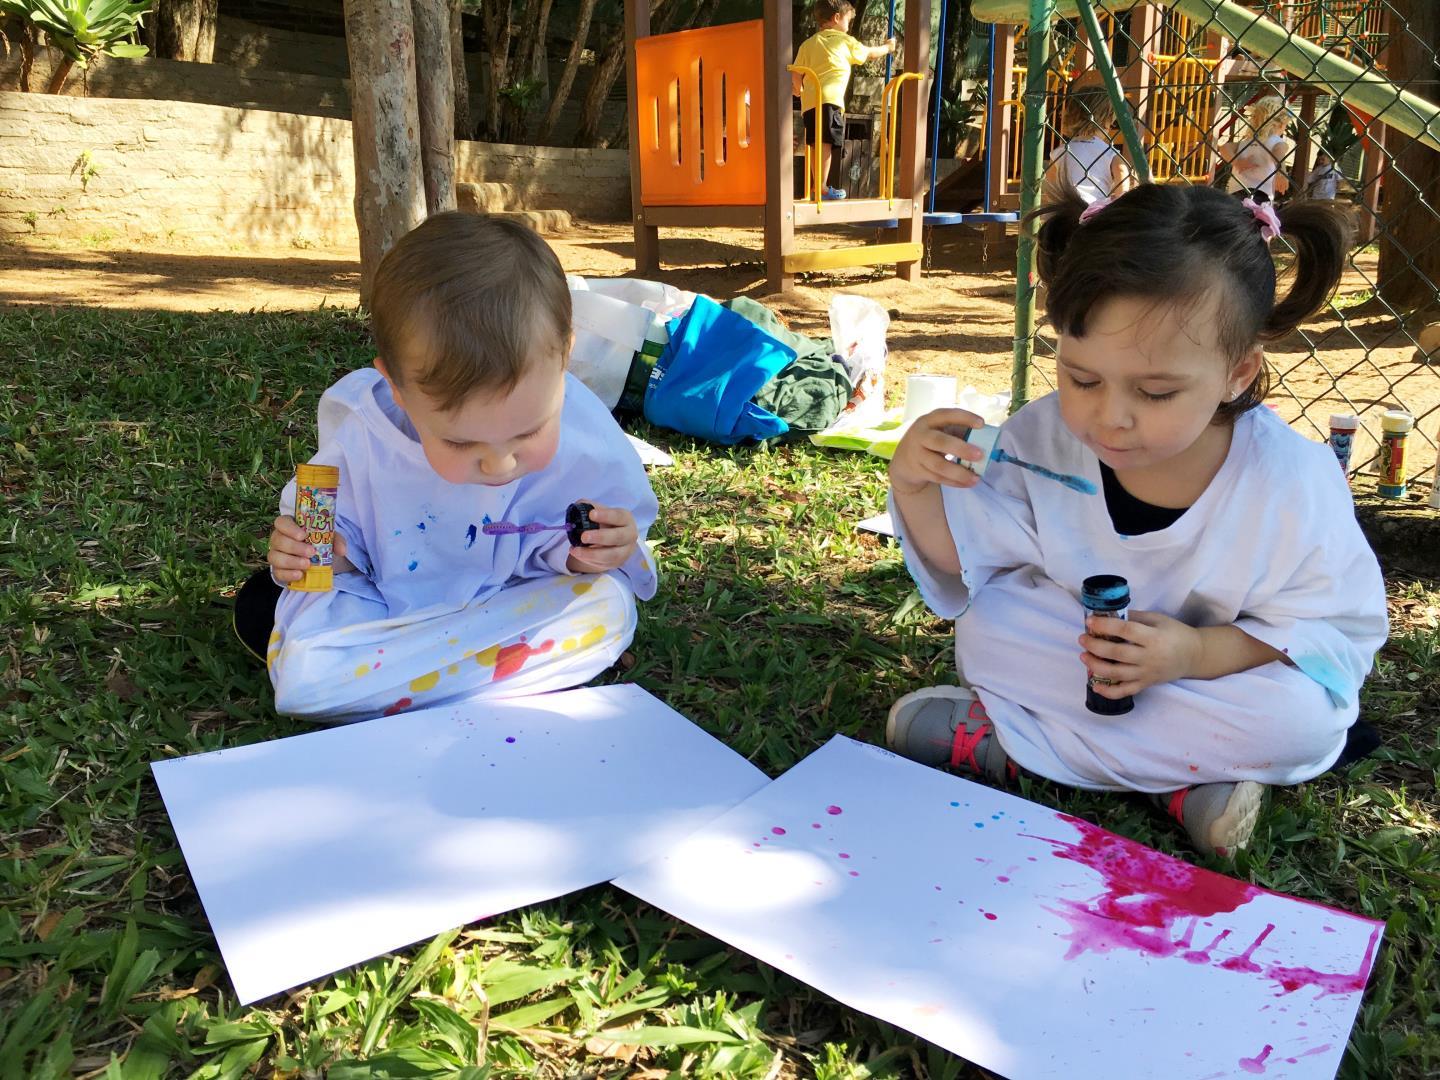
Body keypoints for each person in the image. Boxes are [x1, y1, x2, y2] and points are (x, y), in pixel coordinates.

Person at [882, 183, 1387, 858]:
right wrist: (912, 483)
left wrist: (1192, 653)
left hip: (1217, 673)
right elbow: (963, 560)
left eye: (1154, 392)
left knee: (1300, 720)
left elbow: (1321, 631)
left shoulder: (1291, 484)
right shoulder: (1045, 438)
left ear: (1237, 373)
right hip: (1083, 654)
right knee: (989, 627)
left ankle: (1017, 745)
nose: (1108, 417)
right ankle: (1182, 786)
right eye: (1081, 378)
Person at [238, 211, 659, 722]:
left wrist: (591, 552)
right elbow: (327, 545)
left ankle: (381, 690)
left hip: (508, 605)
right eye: (461, 442)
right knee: (297, 647)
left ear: (565, 358)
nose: (501, 463)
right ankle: (489, 678)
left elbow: (565, 542)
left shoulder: (584, 433)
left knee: (609, 609)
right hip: (388, 614)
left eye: (528, 433)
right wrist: (313, 553)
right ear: (397, 388)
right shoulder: (362, 436)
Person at [792, 0, 896, 200]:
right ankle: (822, 186)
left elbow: (796, 72)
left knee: (815, 143)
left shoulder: (808, 43)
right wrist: (887, 47)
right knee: (826, 144)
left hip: (810, 103)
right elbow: (870, 54)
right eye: (848, 20)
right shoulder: (845, 41)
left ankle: (817, 184)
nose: (848, 26)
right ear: (836, 18)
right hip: (830, 100)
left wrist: (799, 89)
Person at [1042, 78, 1132, 205]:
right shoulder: (1108, 152)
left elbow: (1050, 183)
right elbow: (1122, 171)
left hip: (1067, 209)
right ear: (1106, 122)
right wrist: (1120, 200)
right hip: (1095, 209)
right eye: (1112, 123)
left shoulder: (1060, 151)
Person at [1219, 96, 1294, 201]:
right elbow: (1279, 153)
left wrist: (1237, 162)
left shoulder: (1247, 142)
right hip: (1261, 195)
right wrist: (1281, 171)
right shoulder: (1277, 141)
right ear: (1281, 124)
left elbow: (1224, 147)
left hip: (1235, 192)